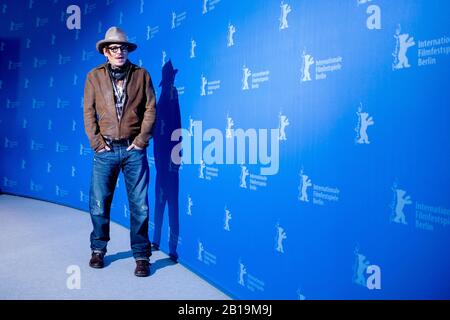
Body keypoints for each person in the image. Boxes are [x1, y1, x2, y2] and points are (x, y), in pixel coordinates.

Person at [83, 26, 156, 277]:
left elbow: (150, 109)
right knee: (99, 203)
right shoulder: (93, 77)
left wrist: (142, 140)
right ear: (105, 52)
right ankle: (98, 249)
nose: (119, 52)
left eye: (123, 47)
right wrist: (97, 143)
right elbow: (88, 112)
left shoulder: (142, 75)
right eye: (113, 48)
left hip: (134, 150)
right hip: (105, 150)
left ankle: (141, 255)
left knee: (140, 206)